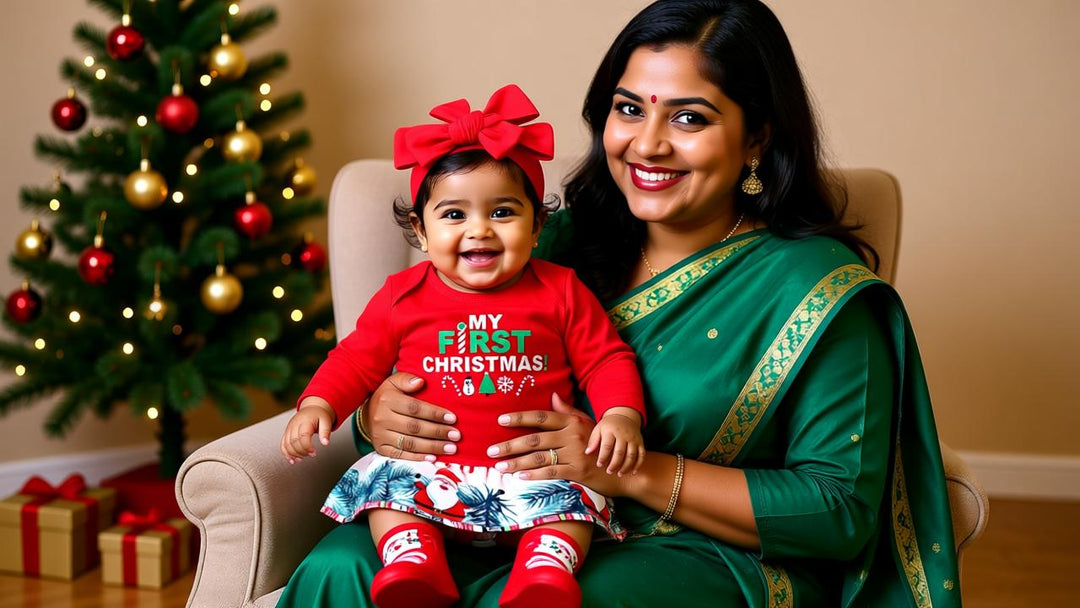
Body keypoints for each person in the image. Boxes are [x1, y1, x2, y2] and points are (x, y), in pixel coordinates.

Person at [278, 1, 962, 606]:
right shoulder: (552, 239)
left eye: (690, 117)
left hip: (693, 551)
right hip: (486, 512)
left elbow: (837, 512)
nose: (647, 144)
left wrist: (631, 471)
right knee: (343, 568)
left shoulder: (820, 294)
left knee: (575, 597)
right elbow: (415, 347)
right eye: (629, 108)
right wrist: (381, 413)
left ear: (758, 137)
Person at [279, 83, 647, 608]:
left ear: (539, 224)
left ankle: (543, 574)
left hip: (531, 470)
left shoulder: (560, 289)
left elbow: (605, 359)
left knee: (570, 510)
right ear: (420, 230)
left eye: (503, 212)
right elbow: (356, 359)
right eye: (454, 215)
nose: (480, 230)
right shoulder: (402, 296)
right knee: (388, 491)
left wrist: (621, 416)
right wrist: (318, 405)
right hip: (430, 469)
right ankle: (413, 564)